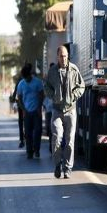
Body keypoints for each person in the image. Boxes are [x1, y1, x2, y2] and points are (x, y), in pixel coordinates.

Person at [44, 47, 84, 179]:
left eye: (65, 56)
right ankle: (57, 165)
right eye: (61, 56)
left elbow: (81, 86)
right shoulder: (52, 71)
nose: (64, 58)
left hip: (70, 110)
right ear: (57, 57)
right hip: (57, 110)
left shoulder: (74, 69)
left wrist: (73, 95)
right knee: (56, 138)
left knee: (70, 141)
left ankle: (67, 168)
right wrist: (53, 95)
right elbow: (47, 87)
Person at [15, 63, 44, 159]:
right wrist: (23, 110)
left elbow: (41, 95)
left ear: (30, 75)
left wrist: (39, 108)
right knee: (28, 133)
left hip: (36, 112)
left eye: (27, 77)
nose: (26, 79)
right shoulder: (21, 84)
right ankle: (29, 151)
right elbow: (19, 99)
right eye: (24, 77)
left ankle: (37, 150)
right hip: (27, 112)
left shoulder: (38, 82)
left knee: (37, 132)